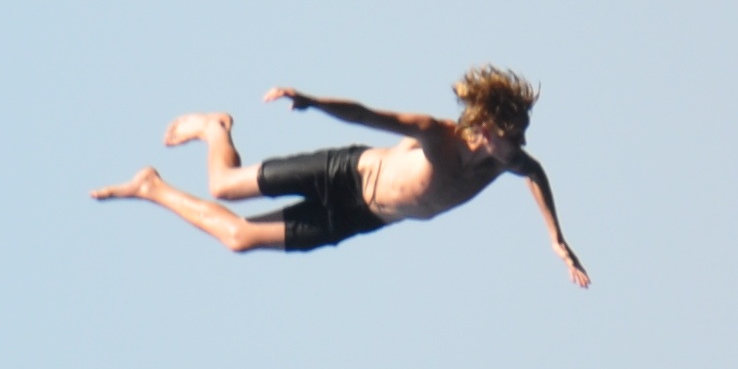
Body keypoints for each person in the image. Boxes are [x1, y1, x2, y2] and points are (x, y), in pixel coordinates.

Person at [92, 66, 590, 285]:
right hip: (345, 175)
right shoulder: (439, 137)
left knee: (238, 240)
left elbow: (537, 175)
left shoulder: (507, 163)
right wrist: (312, 102)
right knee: (223, 185)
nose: (521, 145)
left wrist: (556, 240)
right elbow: (367, 115)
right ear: (485, 126)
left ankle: (149, 187)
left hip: (363, 218)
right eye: (514, 134)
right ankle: (214, 126)